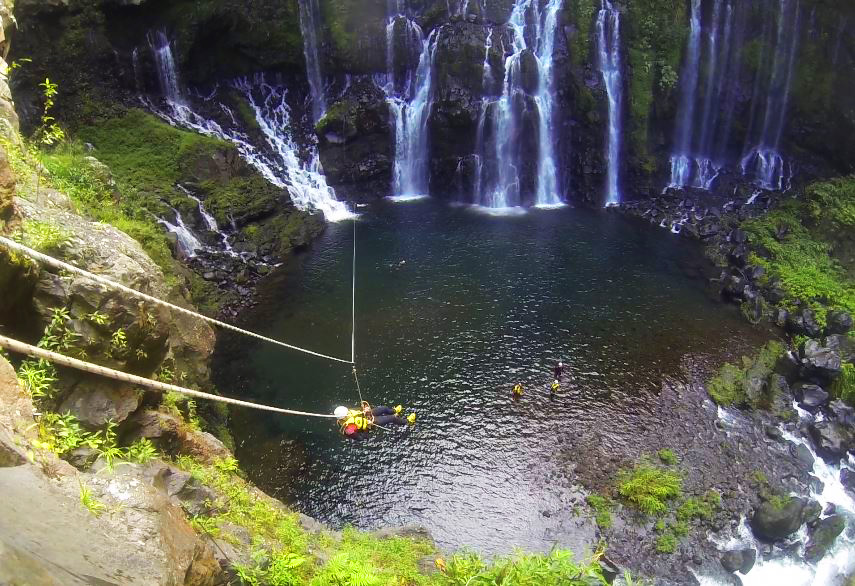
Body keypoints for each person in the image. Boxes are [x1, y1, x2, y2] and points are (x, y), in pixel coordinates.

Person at [337, 403, 414, 436]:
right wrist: (368, 427)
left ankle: (394, 411)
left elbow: (358, 411)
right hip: (370, 422)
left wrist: (364, 408)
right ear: (343, 417)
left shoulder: (348, 413)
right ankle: (407, 421)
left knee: (384, 408)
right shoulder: (348, 427)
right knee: (392, 418)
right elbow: (361, 437)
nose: (348, 412)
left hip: (367, 415)